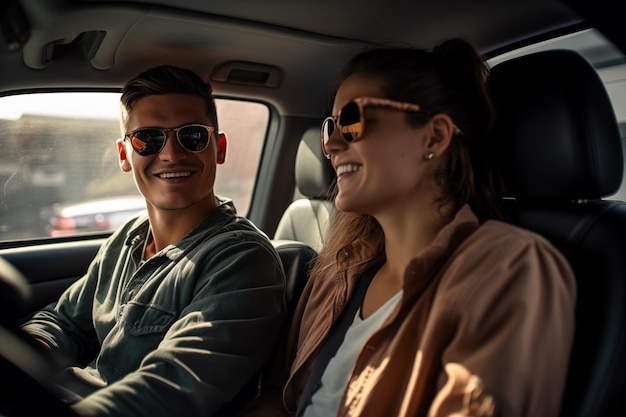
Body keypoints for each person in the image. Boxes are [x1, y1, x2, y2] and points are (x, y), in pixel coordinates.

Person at [239, 39, 576, 417]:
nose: (331, 145)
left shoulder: (508, 268)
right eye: (330, 126)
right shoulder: (339, 269)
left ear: (433, 136)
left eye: (351, 120)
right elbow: (279, 401)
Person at [21, 65, 287, 417]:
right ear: (124, 155)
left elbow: (172, 391)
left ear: (218, 148)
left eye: (192, 136)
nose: (172, 154)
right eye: (148, 138)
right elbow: (64, 322)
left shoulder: (243, 260)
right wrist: (29, 351)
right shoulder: (126, 239)